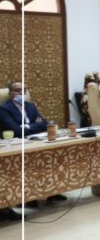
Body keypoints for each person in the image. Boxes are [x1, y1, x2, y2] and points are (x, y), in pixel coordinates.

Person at [0, 81, 66, 210]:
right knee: (28, 163)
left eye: (24, 90)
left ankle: (51, 192)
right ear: (10, 93)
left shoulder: (30, 106)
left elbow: (44, 124)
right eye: (18, 90)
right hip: (15, 145)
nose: (22, 93)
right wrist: (34, 125)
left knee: (51, 156)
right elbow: (16, 131)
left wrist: (27, 126)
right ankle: (27, 197)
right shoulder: (4, 109)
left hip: (34, 140)